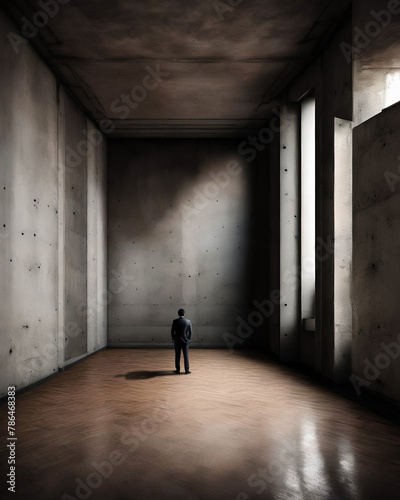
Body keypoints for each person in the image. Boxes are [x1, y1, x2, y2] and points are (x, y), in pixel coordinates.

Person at [171, 308, 192, 374]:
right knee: (186, 355)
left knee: (177, 355)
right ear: (184, 314)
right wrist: (188, 339)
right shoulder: (188, 321)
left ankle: (178, 370)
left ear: (178, 314)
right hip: (185, 341)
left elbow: (172, 331)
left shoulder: (175, 321)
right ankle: (187, 370)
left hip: (177, 341)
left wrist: (174, 338)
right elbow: (190, 332)